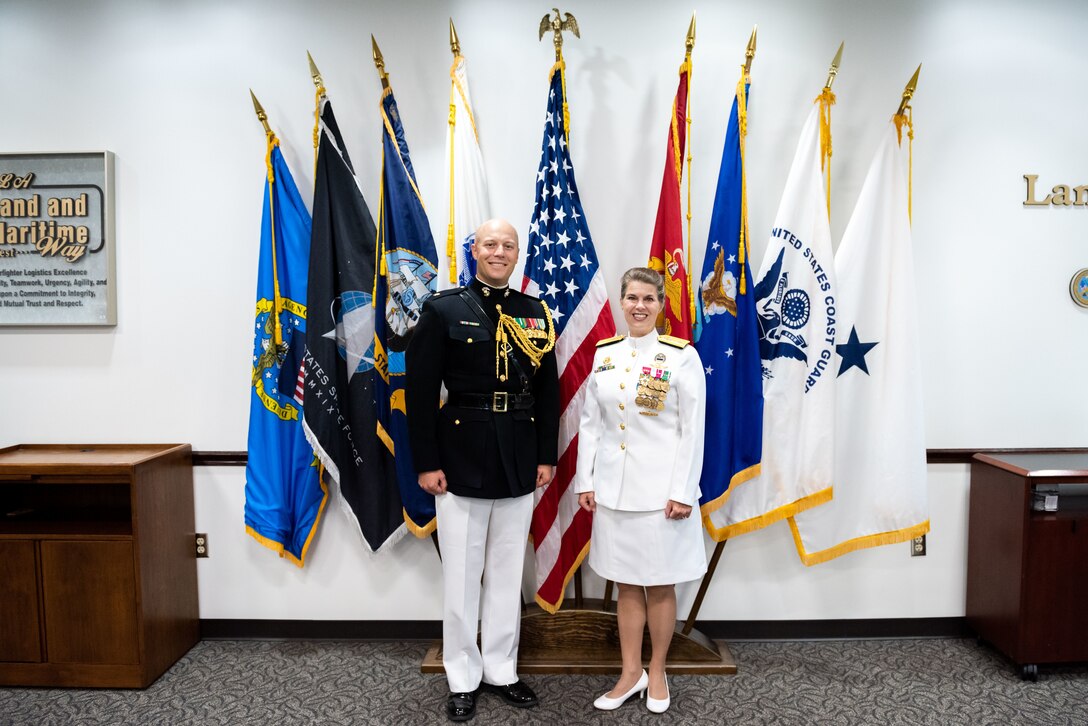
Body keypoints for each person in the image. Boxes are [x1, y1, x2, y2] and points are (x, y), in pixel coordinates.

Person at [406, 218, 559, 723]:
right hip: (460, 455)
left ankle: (501, 669)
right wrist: (427, 462)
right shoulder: (443, 309)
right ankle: (462, 676)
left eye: (508, 245)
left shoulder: (534, 312)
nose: (499, 252)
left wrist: (546, 455)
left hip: (518, 454)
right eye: (490, 244)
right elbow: (420, 392)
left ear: (517, 254)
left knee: (507, 571)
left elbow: (548, 392)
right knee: (462, 575)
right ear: (474, 250)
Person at [574, 267, 708, 714]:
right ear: (622, 301)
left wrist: (683, 491)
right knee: (627, 584)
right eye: (632, 297)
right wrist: (586, 480)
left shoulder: (681, 357)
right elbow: (591, 424)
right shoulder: (605, 354)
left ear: (661, 305)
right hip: (614, 492)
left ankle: (658, 670)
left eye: (649, 298)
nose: (639, 306)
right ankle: (630, 673)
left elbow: (692, 430)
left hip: (661, 495)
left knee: (660, 584)